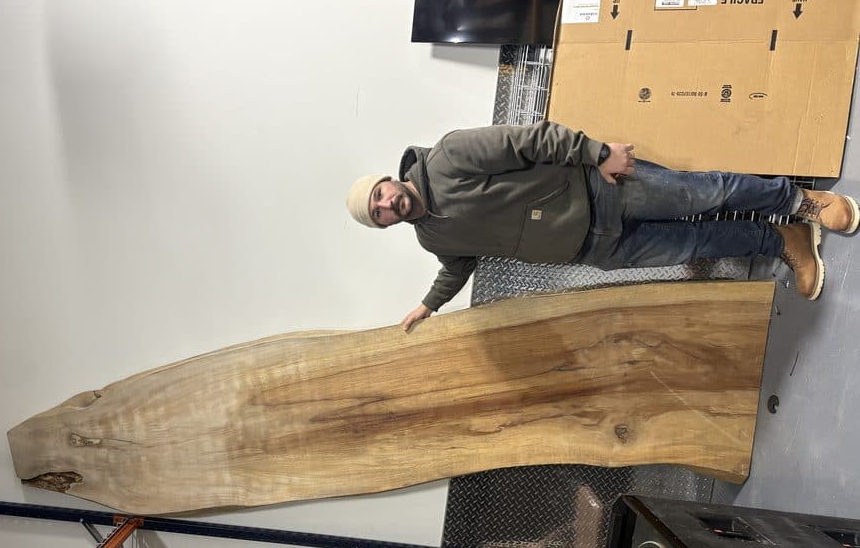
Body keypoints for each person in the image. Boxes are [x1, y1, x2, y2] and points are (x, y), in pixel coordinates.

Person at [345, 122, 859, 331]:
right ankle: (778, 240)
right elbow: (457, 264)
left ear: (389, 179)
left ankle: (802, 202)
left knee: (708, 192)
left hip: (598, 188)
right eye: (379, 214)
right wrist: (430, 304)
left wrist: (598, 154)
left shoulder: (449, 156)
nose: (387, 205)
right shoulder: (431, 236)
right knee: (695, 241)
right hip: (595, 249)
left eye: (380, 195)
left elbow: (532, 140)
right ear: (386, 225)